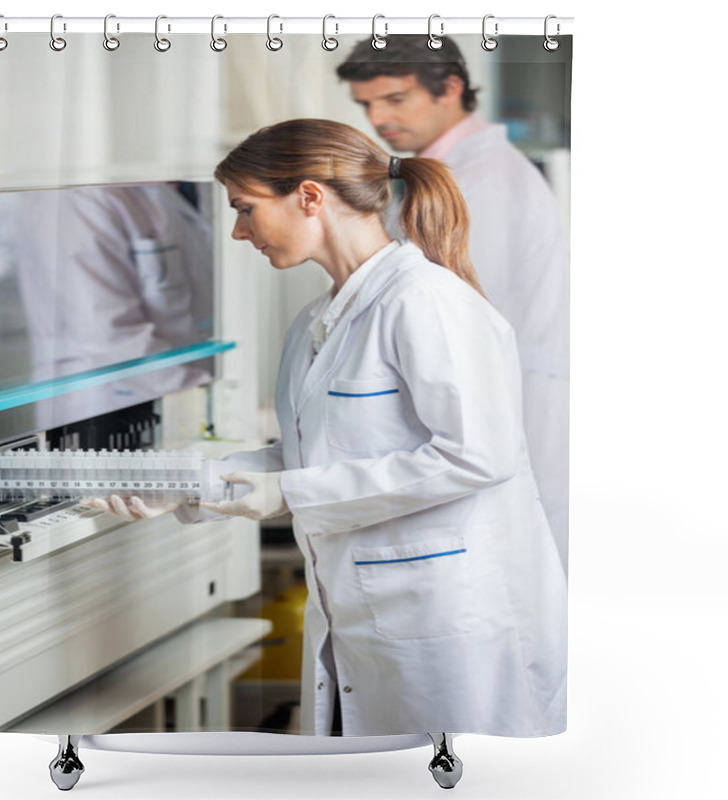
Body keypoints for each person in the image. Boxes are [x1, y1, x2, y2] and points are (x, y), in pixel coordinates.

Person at [97, 118, 566, 740]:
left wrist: (290, 494)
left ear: (310, 196)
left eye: (245, 208)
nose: (239, 231)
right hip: (365, 615)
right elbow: (312, 454)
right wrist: (191, 484)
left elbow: (479, 454)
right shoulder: (316, 321)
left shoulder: (424, 301)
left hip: (454, 617)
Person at [336, 36, 570, 574]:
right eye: (366, 104)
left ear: (453, 89)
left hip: (509, 419)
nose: (378, 118)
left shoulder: (479, 182)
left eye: (395, 99)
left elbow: (434, 311)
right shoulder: (451, 173)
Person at [7, 182, 215, 428]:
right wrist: (210, 399)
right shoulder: (74, 198)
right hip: (107, 402)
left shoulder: (186, 185)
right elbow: (107, 335)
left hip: (177, 393)